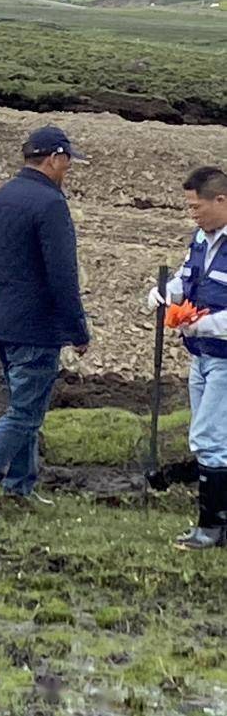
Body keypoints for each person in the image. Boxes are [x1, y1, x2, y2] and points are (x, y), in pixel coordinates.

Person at [0, 125, 91, 513]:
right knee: (26, 413)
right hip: (37, 326)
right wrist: (77, 328)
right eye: (67, 162)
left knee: (22, 404)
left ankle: (20, 486)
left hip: (3, 319)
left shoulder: (2, 197)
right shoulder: (50, 204)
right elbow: (62, 274)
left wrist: (7, 297)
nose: (67, 170)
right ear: (54, 158)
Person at [146, 167, 227, 549]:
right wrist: (166, 293)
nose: (192, 214)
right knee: (214, 437)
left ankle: (210, 527)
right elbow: (185, 278)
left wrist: (203, 325)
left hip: (224, 358)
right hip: (201, 357)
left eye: (197, 207)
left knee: (209, 438)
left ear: (220, 200)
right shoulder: (200, 239)